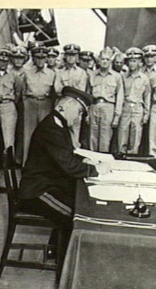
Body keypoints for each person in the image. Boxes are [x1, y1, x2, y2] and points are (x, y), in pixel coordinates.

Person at [19, 86, 111, 253]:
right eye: (78, 111)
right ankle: (64, 261)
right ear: (68, 104)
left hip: (48, 183)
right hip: (37, 190)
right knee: (76, 216)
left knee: (79, 204)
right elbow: (68, 166)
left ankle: (55, 250)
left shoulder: (57, 124)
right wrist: (96, 170)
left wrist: (85, 160)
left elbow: (65, 156)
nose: (78, 117)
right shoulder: (52, 128)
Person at [21, 46, 56, 164]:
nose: (40, 61)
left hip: (45, 104)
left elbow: (54, 93)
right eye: (37, 58)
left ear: (46, 59)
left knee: (44, 134)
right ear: (33, 59)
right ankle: (27, 163)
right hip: (30, 104)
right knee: (28, 134)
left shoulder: (52, 74)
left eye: (43, 58)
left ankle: (43, 164)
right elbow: (21, 91)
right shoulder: (26, 72)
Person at [87, 47, 124, 152]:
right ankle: (92, 163)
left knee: (105, 138)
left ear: (111, 61)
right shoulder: (92, 75)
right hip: (94, 106)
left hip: (108, 108)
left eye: (107, 59)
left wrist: (117, 116)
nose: (104, 62)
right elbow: (87, 94)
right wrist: (87, 113)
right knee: (92, 137)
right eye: (102, 59)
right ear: (99, 60)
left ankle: (103, 163)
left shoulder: (116, 76)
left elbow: (119, 97)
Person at [117, 47, 151, 154]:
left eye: (135, 61)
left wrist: (146, 113)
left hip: (137, 108)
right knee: (122, 133)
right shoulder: (122, 77)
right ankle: (121, 157)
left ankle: (132, 158)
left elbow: (147, 96)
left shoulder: (144, 78)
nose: (132, 64)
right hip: (125, 107)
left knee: (135, 136)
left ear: (140, 62)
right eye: (130, 61)